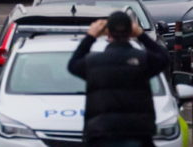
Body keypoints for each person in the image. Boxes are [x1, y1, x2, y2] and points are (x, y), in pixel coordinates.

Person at [68, 11, 169, 147]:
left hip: (102, 132)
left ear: (108, 33)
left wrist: (91, 36)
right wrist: (141, 35)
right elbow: (164, 58)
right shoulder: (142, 59)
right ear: (130, 32)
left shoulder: (94, 62)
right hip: (137, 132)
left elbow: (73, 64)